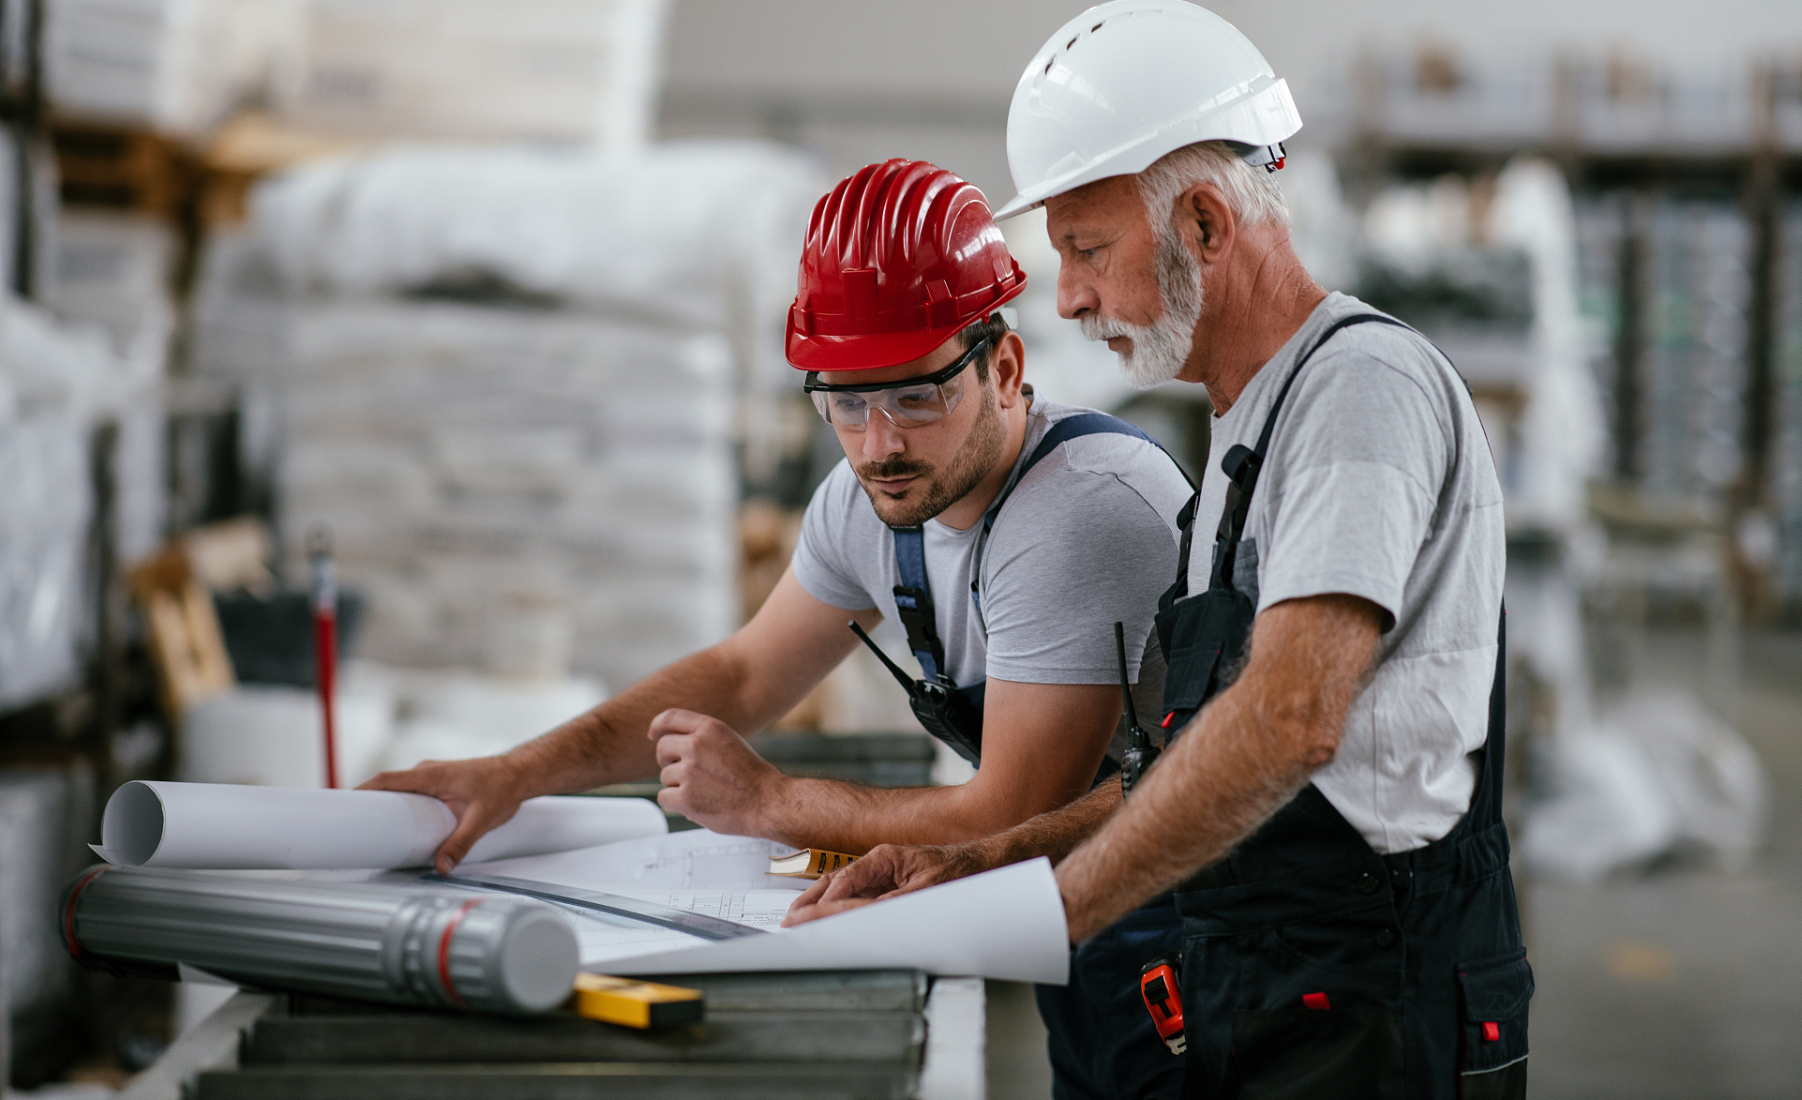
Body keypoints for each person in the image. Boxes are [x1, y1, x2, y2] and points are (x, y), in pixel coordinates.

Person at [789, 0, 1531, 1099]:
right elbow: (1187, 763)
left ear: (1204, 224)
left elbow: (1288, 719)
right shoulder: (1246, 420)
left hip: (1376, 1009)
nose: (1072, 296)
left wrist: (1048, 911)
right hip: (1269, 977)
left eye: (1087, 250)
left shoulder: (1359, 391)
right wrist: (980, 861)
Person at [362, 158, 1195, 1100]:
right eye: (847, 401)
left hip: (1200, 931)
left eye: (918, 396)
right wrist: (517, 772)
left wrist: (769, 802)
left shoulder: (1081, 511)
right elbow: (744, 674)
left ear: (1004, 368)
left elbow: (1007, 813)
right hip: (1083, 920)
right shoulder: (874, 497)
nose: (880, 443)